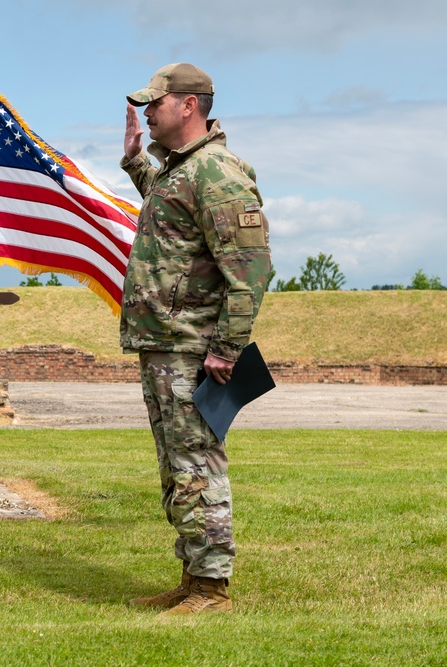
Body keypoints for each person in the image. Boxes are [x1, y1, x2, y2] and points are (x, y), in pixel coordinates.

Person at [119, 64, 271, 615]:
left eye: (154, 103)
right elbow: (170, 215)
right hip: (164, 343)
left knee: (196, 466)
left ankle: (212, 588)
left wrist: (226, 349)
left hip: (193, 348)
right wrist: (136, 158)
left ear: (188, 106)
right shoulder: (178, 171)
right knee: (176, 465)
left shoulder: (218, 172)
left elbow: (251, 269)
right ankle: (192, 576)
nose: (147, 111)